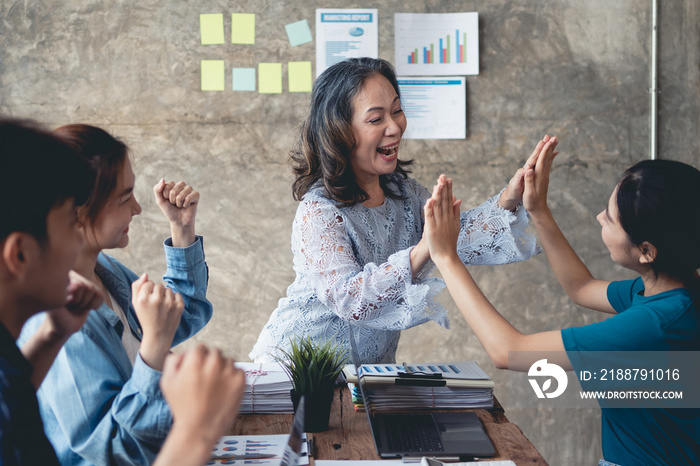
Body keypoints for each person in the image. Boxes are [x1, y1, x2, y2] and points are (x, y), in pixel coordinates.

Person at [250, 57, 551, 364]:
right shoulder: (319, 211)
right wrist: (423, 249)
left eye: (397, 111)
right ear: (339, 131)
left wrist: (510, 197)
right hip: (294, 373)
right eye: (375, 119)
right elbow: (351, 298)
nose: (395, 127)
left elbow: (455, 237)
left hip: (363, 376)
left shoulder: (404, 193)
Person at [424, 137, 700, 465]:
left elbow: (507, 351)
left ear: (646, 251)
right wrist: (538, 209)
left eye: (610, 219)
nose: (599, 217)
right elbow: (581, 287)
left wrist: (445, 256)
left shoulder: (653, 327)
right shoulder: (671, 294)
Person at [0, 118, 245, 466]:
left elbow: (177, 314)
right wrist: (198, 428)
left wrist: (182, 229)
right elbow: (113, 453)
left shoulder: (98, 279)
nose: (138, 208)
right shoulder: (58, 315)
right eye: (67, 225)